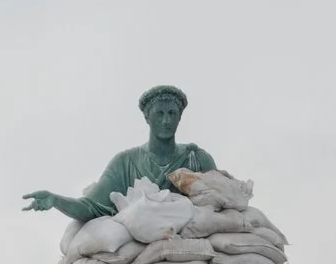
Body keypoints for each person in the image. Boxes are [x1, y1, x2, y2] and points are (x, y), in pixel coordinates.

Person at [23, 85, 217, 222]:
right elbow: (92, 207)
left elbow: (223, 204)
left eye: (172, 113)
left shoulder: (197, 159)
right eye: (160, 113)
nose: (166, 120)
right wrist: (56, 200)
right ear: (147, 117)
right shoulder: (125, 163)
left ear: (179, 117)